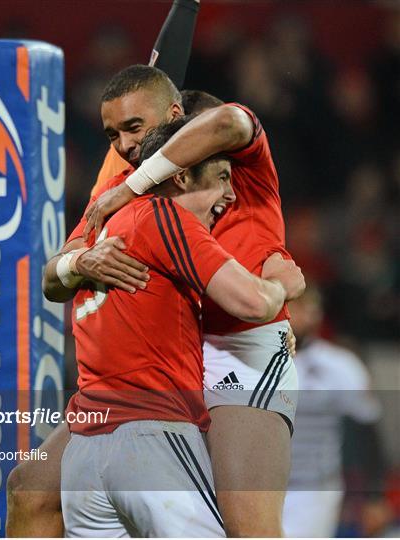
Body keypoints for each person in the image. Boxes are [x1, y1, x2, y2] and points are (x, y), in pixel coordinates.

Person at [6, 2, 200, 535]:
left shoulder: (213, 163)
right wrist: (82, 262)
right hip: (111, 393)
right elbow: (51, 277)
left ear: (176, 115)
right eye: (114, 135)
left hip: (199, 378)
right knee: (29, 487)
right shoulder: (120, 174)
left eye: (134, 129)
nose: (124, 145)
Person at [60, 118, 304, 537]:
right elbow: (254, 302)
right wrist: (284, 285)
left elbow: (52, 279)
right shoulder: (162, 215)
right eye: (223, 177)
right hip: (148, 432)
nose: (231, 192)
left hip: (83, 452)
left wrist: (71, 263)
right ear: (182, 173)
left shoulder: (101, 224)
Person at [282, 285, 382, 538]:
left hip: (313, 489)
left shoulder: (340, 365)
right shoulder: (249, 361)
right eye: (293, 306)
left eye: (307, 307)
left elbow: (366, 431)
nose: (300, 315)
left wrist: (374, 496)